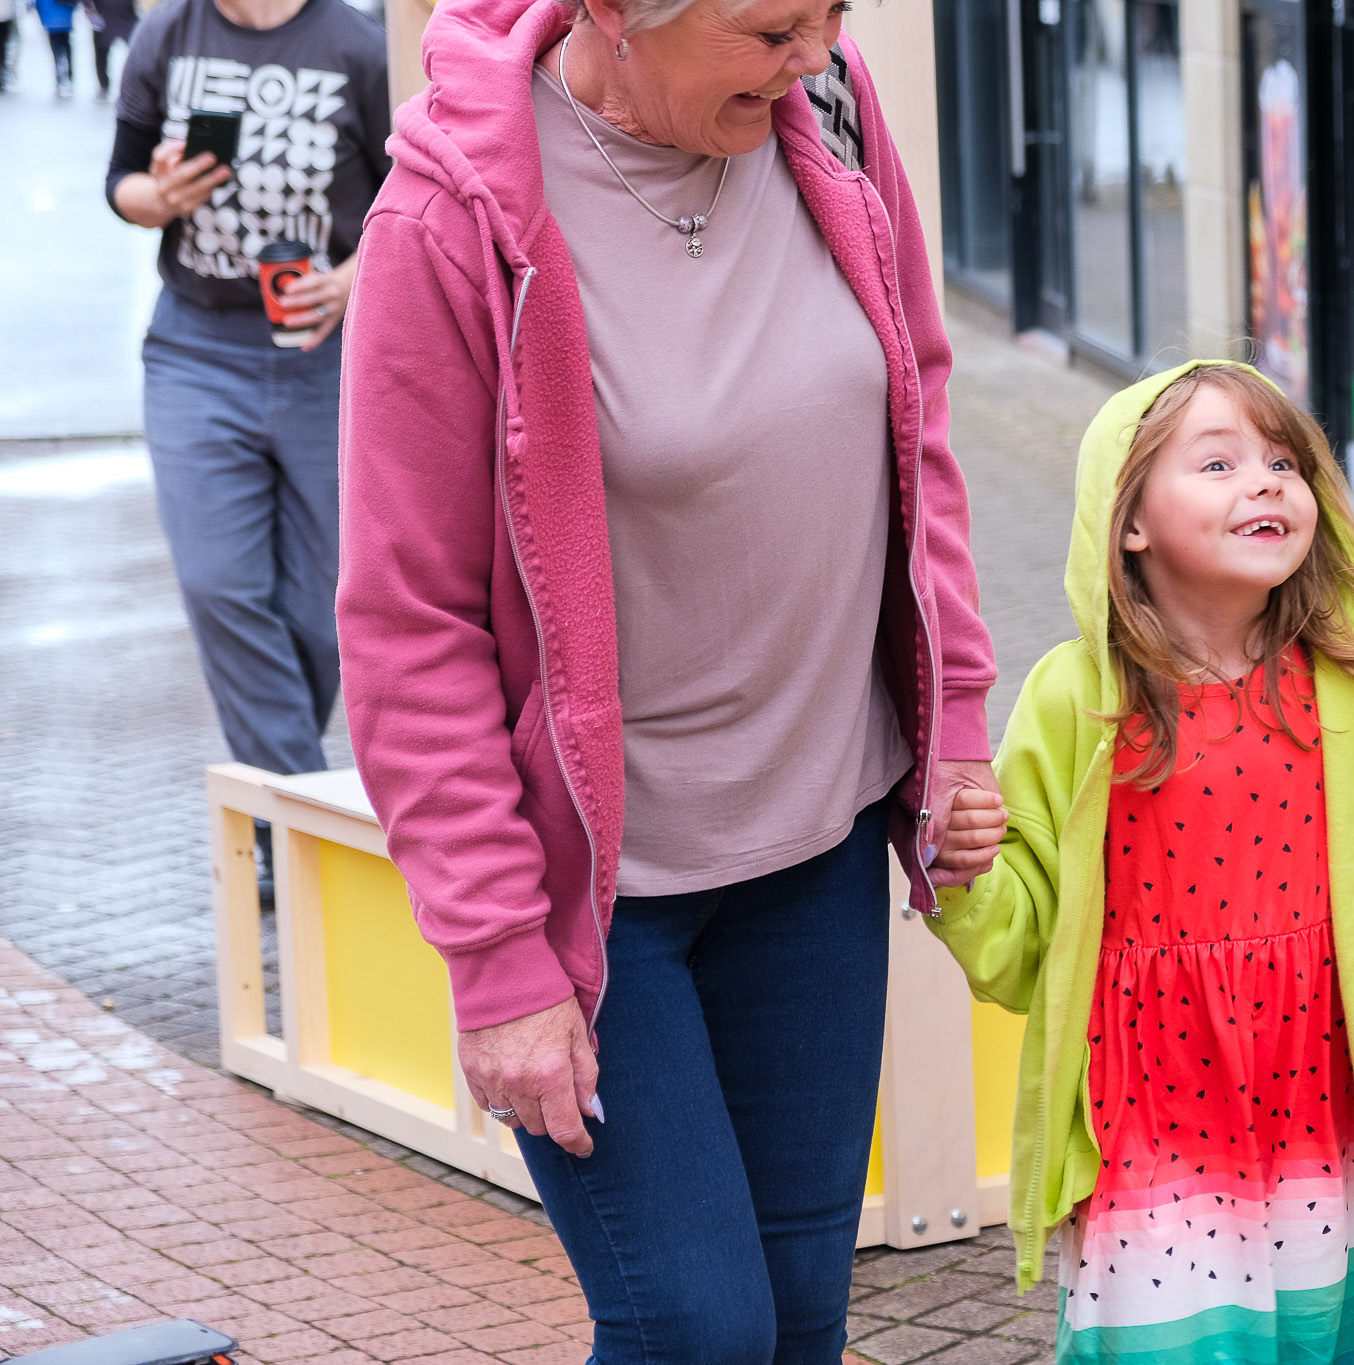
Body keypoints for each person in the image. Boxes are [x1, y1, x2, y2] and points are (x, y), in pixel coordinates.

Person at [334, 0, 998, 1356]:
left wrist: (959, 724)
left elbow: (914, 424)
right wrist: (496, 959)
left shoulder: (833, 115)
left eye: (832, 16)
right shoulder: (451, 215)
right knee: (695, 1329)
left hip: (815, 849)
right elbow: (408, 622)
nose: (810, 55)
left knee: (800, 1319)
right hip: (605, 903)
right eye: (769, 30)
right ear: (617, 16)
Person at [926, 361, 1354, 1363]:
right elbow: (1022, 933)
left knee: (1324, 1330)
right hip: (1147, 1103)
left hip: (1311, 1090)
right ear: (1128, 523)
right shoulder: (1077, 699)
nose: (1264, 482)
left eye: (1282, 460)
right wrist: (962, 873)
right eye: (1217, 462)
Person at [104, 0, 387, 798]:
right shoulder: (169, 32)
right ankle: (291, 814)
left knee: (327, 600)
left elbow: (416, 196)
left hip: (325, 354)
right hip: (197, 347)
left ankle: (282, 807)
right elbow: (119, 180)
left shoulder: (356, 44)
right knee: (219, 585)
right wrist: (156, 198)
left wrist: (350, 282)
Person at [84, 0, 134, 99]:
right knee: (102, 53)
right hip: (110, 15)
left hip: (110, 14)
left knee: (101, 53)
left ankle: (104, 84)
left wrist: (88, 7)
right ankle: (104, 84)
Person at [35, 0, 76, 95]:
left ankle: (60, 76)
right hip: (66, 19)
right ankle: (69, 75)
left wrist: (42, 17)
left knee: (56, 50)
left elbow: (38, 4)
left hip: (50, 21)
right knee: (67, 48)